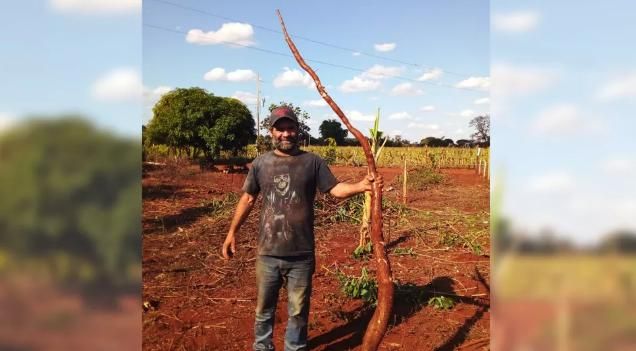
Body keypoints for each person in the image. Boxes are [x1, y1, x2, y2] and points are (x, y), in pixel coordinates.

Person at [221, 106, 382, 351]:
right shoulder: (261, 164)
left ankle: (294, 348)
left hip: (301, 255)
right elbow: (248, 199)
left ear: (298, 130)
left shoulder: (313, 162)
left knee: (298, 311)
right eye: (280, 129)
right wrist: (232, 233)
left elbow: (335, 190)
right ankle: (262, 347)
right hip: (268, 253)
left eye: (290, 128)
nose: (286, 133)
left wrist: (361, 186)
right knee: (264, 309)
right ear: (271, 132)